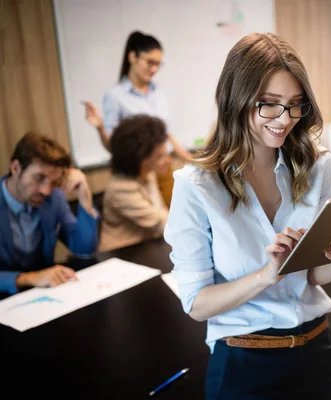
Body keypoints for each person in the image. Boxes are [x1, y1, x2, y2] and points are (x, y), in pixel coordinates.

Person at [164, 33, 331, 400]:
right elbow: (197, 305)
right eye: (269, 104)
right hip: (245, 362)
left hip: (317, 351)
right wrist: (266, 276)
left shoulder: (317, 165)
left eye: (295, 105)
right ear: (235, 99)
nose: (285, 120)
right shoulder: (196, 186)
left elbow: (314, 273)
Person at [83, 30, 192, 207]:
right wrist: (100, 128)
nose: (154, 69)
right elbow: (113, 146)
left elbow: (166, 134)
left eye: (158, 64)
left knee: (172, 221)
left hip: (164, 168)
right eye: (150, 62)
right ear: (133, 57)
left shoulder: (158, 93)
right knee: (153, 225)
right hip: (138, 174)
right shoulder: (115, 96)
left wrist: (189, 158)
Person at [0, 133, 99, 296]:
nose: (46, 190)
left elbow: (84, 249)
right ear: (16, 168)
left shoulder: (54, 197)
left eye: (53, 182)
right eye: (39, 178)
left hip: (46, 295)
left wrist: (84, 196)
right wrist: (28, 278)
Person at [99, 115, 170, 251]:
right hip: (122, 254)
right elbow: (159, 222)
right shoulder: (120, 189)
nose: (167, 160)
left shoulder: (147, 172)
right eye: (159, 156)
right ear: (141, 159)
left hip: (148, 248)